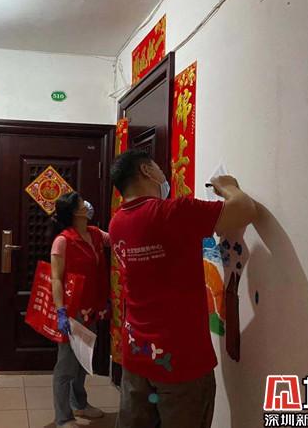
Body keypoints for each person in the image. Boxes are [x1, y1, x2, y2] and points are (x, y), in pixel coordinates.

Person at [108, 150, 257, 428]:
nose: (163, 174)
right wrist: (227, 186)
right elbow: (245, 210)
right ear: (146, 171)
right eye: (158, 168)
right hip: (182, 360)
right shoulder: (172, 212)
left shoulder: (117, 222)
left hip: (137, 353)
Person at [50, 192, 110, 428]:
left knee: (84, 360)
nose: (87, 204)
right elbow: (56, 278)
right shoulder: (63, 240)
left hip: (91, 309)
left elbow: (117, 238)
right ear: (76, 212)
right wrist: (60, 312)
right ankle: (63, 417)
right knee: (66, 365)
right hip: (71, 310)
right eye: (82, 203)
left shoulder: (95, 234)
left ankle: (80, 404)